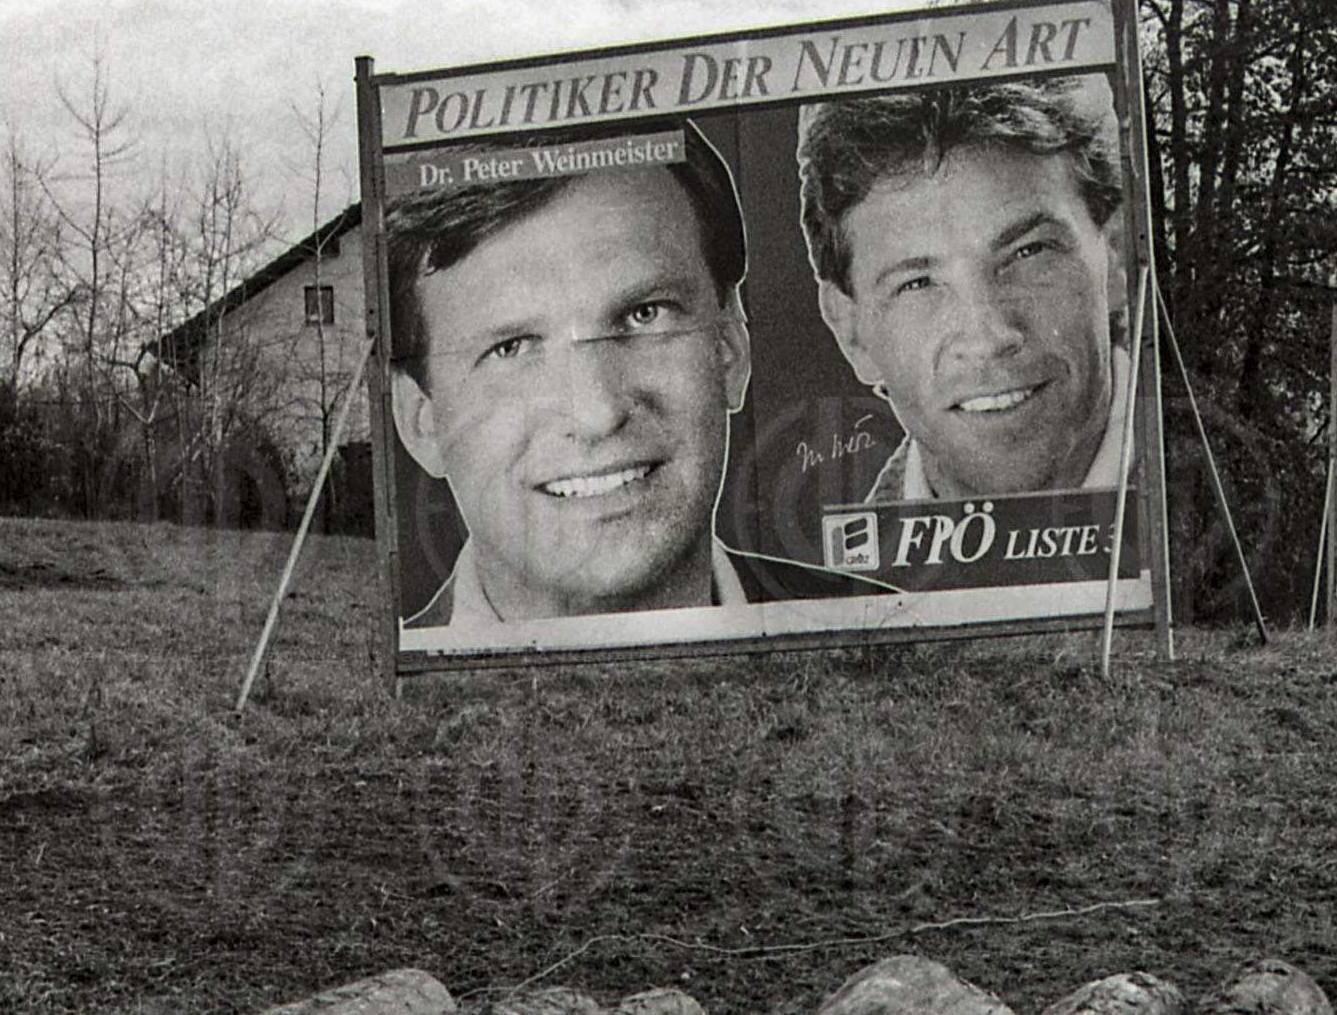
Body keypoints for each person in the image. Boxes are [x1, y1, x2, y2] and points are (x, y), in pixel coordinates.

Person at [387, 132, 871, 635]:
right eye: (512, 348)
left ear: (730, 348)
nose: (598, 412)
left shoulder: (884, 636)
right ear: (421, 421)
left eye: (644, 314)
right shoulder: (394, 706)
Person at [797, 76, 1131, 505]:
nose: (988, 338)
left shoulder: (1232, 488)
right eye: (916, 284)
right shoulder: (823, 569)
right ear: (851, 332)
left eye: (1028, 252)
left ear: (1117, 257)